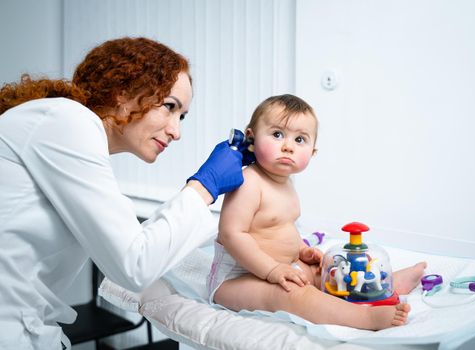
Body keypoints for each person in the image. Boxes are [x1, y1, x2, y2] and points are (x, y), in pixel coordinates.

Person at [0, 37, 251, 349]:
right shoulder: (66, 121)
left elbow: (127, 244)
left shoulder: (71, 136)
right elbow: (133, 266)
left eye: (181, 116)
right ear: (123, 92)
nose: (177, 131)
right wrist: (205, 186)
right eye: (170, 107)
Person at [207, 94, 427, 330]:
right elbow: (232, 234)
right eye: (277, 134)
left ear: (312, 152)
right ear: (251, 138)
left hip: (283, 267)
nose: (288, 146)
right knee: (290, 293)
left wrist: (301, 250)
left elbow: (278, 229)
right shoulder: (249, 182)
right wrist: (272, 270)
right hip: (237, 279)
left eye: (299, 139)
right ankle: (365, 318)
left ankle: (381, 287)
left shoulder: (286, 184)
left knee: (326, 272)